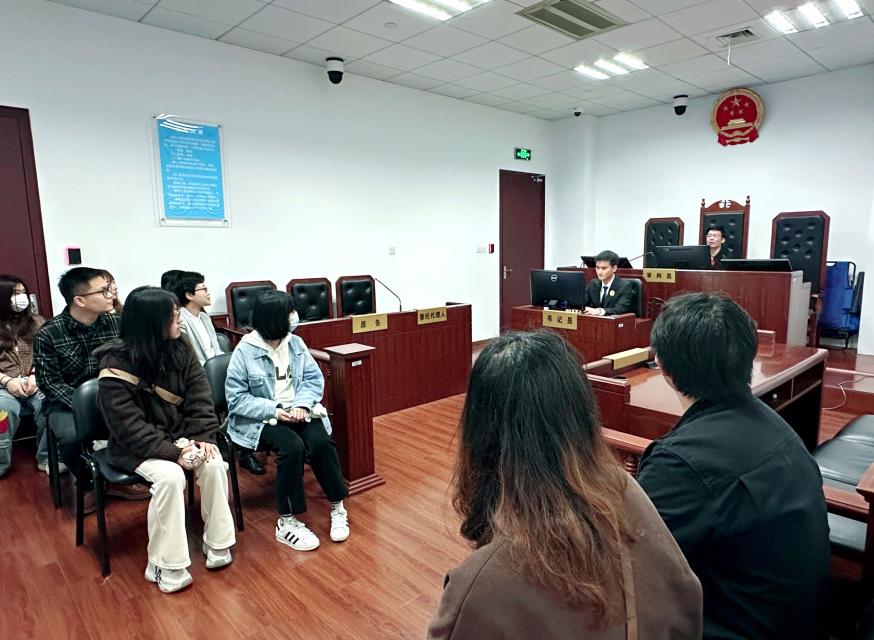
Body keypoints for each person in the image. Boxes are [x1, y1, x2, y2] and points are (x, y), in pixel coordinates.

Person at [427, 330, 702, 640]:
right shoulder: (626, 489)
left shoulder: (478, 588)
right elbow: (687, 598)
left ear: (479, 432)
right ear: (582, 416)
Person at [637, 293, 830, 639]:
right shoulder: (775, 423)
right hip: (799, 619)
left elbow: (633, 564)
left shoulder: (680, 463)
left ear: (662, 367)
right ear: (748, 357)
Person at [97, 286, 235, 593]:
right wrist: (175, 453)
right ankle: (165, 563)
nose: (180, 320)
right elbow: (128, 428)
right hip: (137, 448)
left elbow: (200, 395)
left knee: (214, 463)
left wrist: (202, 436)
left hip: (181, 437)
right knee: (171, 477)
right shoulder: (114, 364)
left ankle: (218, 542)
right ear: (151, 322)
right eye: (172, 316)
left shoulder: (180, 346)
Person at [225, 291, 349, 551]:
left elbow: (313, 379)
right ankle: (287, 521)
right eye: (289, 312)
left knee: (321, 443)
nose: (294, 317)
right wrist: (275, 410)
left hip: (299, 410)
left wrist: (302, 404)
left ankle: (337, 506)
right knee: (292, 448)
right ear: (275, 318)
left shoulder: (296, 343)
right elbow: (236, 399)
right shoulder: (245, 350)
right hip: (262, 418)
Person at [33, 267, 148, 505]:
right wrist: (86, 405)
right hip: (67, 403)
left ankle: (119, 476)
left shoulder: (117, 323)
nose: (111, 295)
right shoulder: (49, 333)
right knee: (71, 437)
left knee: (143, 420)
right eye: (103, 291)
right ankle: (87, 482)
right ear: (80, 300)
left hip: (114, 396)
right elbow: (50, 383)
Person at [172, 272, 265, 476]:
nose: (208, 292)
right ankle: (231, 444)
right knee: (236, 392)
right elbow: (190, 360)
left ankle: (246, 449)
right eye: (203, 289)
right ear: (189, 295)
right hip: (199, 377)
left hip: (217, 372)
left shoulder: (205, 317)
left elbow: (217, 350)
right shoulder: (181, 320)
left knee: (250, 389)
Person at [0, 275, 49, 476]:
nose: (21, 298)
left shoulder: (37, 321)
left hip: (35, 380)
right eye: (15, 293)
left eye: (23, 293)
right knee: (3, 412)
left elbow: (47, 352)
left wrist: (35, 375)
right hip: (3, 384)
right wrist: (7, 381)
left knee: (49, 405)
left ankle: (48, 458)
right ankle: (1, 464)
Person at [584, 250, 635, 316]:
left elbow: (620, 309)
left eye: (604, 268)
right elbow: (583, 303)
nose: (599, 272)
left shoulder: (624, 286)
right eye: (597, 268)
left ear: (614, 268)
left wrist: (599, 311)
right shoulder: (593, 284)